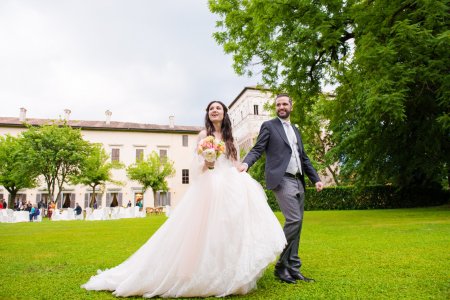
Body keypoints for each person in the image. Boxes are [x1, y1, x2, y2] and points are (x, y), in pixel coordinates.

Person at [81, 101, 286, 298]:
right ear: (208, 114)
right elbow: (196, 166)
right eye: (211, 108)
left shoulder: (230, 138)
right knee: (203, 229)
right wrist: (208, 162)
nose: (215, 111)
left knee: (228, 228)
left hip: (229, 184)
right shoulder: (203, 135)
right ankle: (198, 273)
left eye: (219, 108)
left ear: (224, 113)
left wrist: (241, 171)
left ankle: (228, 272)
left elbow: (235, 162)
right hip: (209, 185)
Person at [239, 93, 324, 284]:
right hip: (282, 179)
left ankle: (293, 267)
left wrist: (315, 179)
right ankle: (280, 266)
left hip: (298, 179)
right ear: (276, 108)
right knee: (293, 219)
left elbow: (303, 157)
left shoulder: (295, 130)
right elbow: (257, 148)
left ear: (291, 107)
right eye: (278, 104)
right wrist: (246, 164)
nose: (281, 107)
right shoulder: (269, 126)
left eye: (285, 103)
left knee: (298, 224)